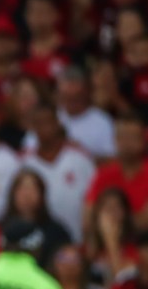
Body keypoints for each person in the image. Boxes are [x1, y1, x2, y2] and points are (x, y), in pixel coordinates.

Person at [21, 102, 96, 242]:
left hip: (78, 238)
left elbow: (93, 197)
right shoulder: (25, 162)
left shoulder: (80, 158)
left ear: (57, 123)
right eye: (39, 123)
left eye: (48, 122)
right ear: (32, 127)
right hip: (38, 240)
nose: (44, 127)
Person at [0, 169, 71, 269]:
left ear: (42, 195)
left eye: (33, 189)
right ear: (12, 194)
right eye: (22, 189)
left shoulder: (57, 233)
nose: (27, 195)